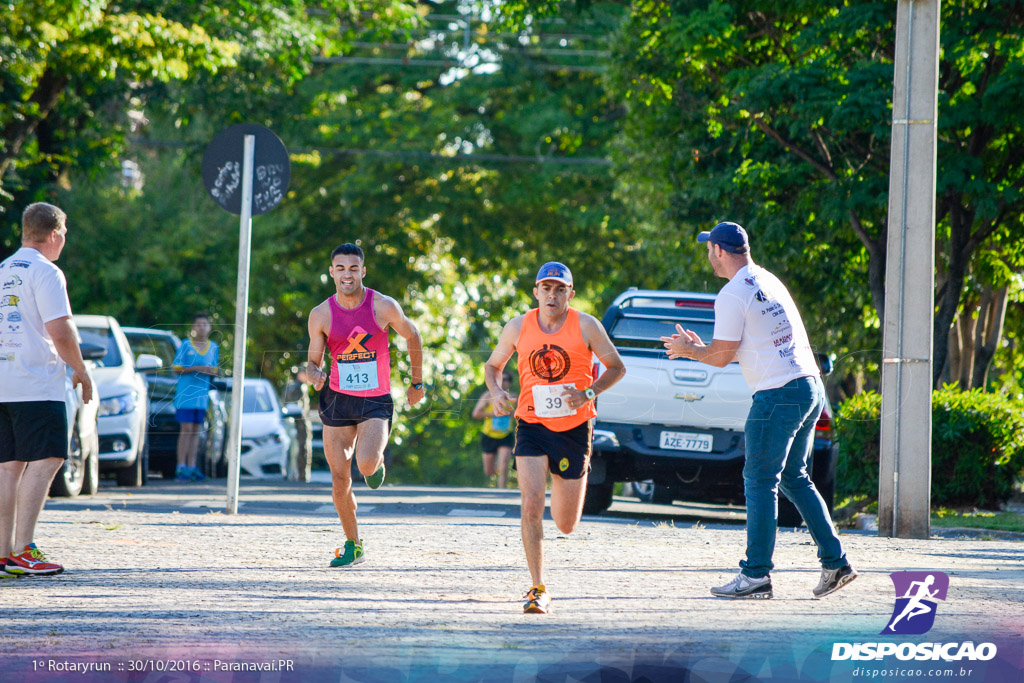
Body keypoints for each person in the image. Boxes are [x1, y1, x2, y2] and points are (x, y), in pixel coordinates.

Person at [661, 221, 856, 599]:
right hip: (809, 386)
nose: (707, 254)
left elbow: (719, 358)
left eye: (708, 247)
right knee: (794, 477)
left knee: (760, 479)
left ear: (719, 250)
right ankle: (836, 563)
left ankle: (755, 576)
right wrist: (706, 348)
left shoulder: (732, 293)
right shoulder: (768, 280)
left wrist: (689, 351)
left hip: (778, 394)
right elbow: (734, 349)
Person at [484, 262, 625, 613]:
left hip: (574, 429)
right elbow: (492, 366)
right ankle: (537, 588)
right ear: (536, 292)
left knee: (565, 523)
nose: (552, 294)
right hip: (531, 424)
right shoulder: (518, 326)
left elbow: (617, 367)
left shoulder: (587, 325)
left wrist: (589, 393)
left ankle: (577, 475)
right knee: (531, 504)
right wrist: (497, 391)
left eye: (560, 289)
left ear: (570, 294)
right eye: (546, 288)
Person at [306, 243, 424, 568]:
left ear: (363, 271)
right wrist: (314, 375)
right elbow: (313, 363)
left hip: (374, 400)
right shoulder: (321, 314)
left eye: (353, 268)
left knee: (366, 465)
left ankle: (375, 461)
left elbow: (412, 336)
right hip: (337, 400)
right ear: (331, 272)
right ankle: (353, 543)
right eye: (341, 268)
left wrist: (417, 383)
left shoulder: (382, 306)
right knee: (339, 478)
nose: (347, 274)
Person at [0, 202, 93, 578]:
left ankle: (4, 554)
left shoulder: (3, 270)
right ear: (53, 234)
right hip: (37, 382)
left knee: (8, 467)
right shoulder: (47, 272)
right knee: (50, 458)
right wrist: (81, 369)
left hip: (3, 382)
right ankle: (24, 549)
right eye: (65, 234)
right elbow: (61, 330)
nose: (64, 241)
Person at [171, 312, 219, 481]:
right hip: (185, 395)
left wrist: (209, 370)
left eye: (204, 324)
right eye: (198, 324)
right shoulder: (185, 345)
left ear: (209, 327)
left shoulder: (213, 347)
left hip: (201, 396)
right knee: (186, 430)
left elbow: (214, 369)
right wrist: (196, 368)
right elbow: (176, 368)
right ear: (193, 327)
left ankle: (192, 466)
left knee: (196, 431)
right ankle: (180, 466)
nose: (201, 328)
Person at [472, 370, 516, 488]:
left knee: (504, 464)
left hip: (506, 435)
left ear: (510, 383)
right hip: (489, 435)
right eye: (502, 379)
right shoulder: (488, 396)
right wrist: (494, 413)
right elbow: (476, 414)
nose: (503, 382)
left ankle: (502, 493)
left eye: (506, 379)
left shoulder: (514, 398)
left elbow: (520, 415)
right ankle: (496, 466)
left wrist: (511, 413)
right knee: (489, 471)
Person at [283, 366, 313, 482]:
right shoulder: (300, 387)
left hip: (290, 424)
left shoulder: (289, 386)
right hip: (300, 424)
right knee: (303, 449)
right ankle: (302, 476)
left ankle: (292, 474)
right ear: (301, 374)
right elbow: (298, 408)